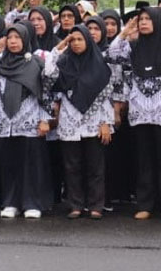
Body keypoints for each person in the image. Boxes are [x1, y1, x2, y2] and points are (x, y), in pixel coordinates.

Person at [107, 7, 161, 220]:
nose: (143, 23)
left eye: (147, 19)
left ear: (159, 22)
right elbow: (113, 54)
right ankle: (146, 203)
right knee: (144, 159)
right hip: (140, 110)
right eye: (140, 19)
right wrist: (125, 32)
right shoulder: (133, 47)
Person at [44, 26, 121, 218]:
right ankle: (76, 204)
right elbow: (48, 76)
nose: (76, 43)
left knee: (95, 166)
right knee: (72, 166)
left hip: (94, 122)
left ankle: (96, 205)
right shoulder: (64, 63)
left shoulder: (100, 65)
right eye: (73, 40)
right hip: (70, 120)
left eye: (80, 39)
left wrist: (105, 123)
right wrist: (58, 48)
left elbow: (106, 96)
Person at [0, 24, 52, 218]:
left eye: (17, 38)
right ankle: (11, 202)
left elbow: (46, 91)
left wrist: (45, 119)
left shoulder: (36, 62)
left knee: (30, 164)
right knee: (8, 164)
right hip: (4, 121)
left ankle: (32, 203)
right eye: (9, 38)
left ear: (25, 40)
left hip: (29, 119)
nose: (12, 42)